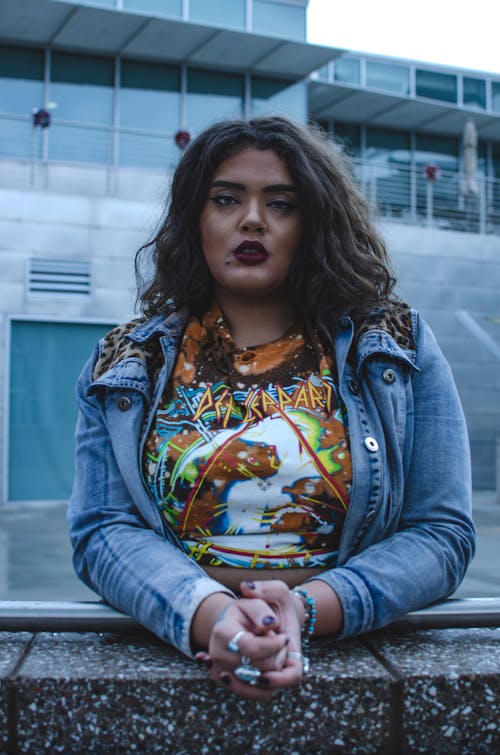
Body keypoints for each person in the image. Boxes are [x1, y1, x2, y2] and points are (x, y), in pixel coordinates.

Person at [68, 116, 475, 699]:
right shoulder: (126, 361)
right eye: (226, 199)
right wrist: (211, 617)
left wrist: (304, 612)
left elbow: (442, 534)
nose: (252, 219)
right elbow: (101, 531)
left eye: (280, 204)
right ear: (195, 219)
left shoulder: (394, 345)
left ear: (312, 223)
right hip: (182, 651)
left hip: (346, 655)